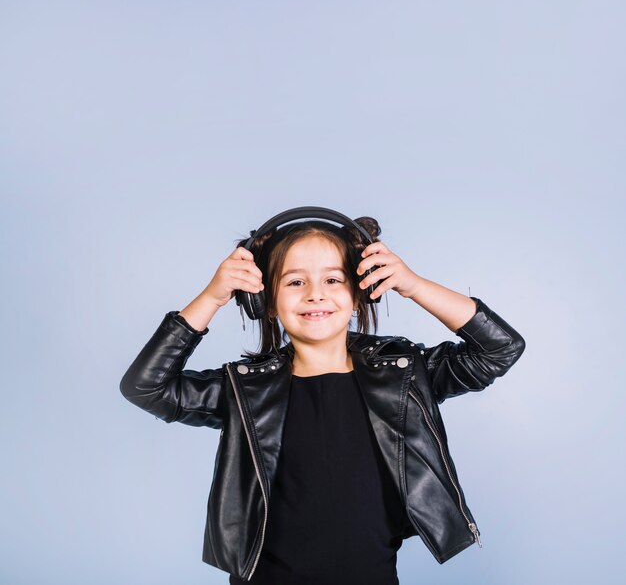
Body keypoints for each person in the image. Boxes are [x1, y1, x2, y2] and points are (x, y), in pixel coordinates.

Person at [119, 212, 526, 585]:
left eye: (333, 280)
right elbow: (146, 387)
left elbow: (499, 349)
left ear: (360, 292)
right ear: (267, 303)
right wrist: (212, 296)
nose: (315, 294)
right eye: (295, 282)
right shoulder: (244, 390)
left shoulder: (404, 375)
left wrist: (413, 285)